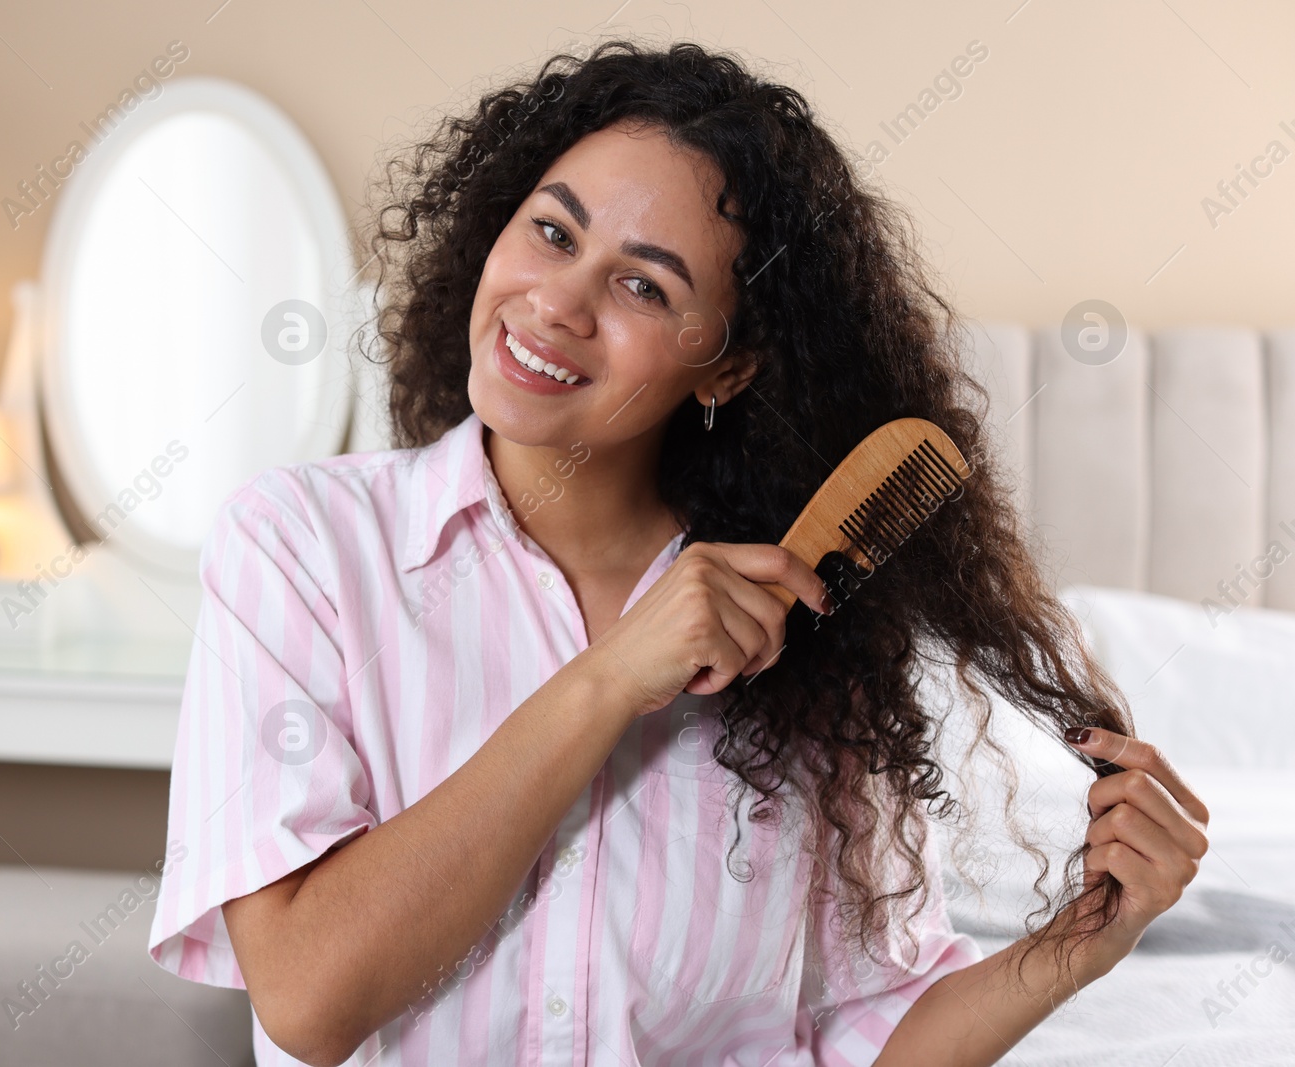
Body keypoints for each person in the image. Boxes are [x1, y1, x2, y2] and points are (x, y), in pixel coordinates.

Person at [148, 39, 1209, 1066]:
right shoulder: (301, 547)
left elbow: (865, 1040)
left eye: (643, 286)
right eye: (553, 233)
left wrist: (1078, 947)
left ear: (728, 367)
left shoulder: (805, 644)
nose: (557, 304)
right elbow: (308, 999)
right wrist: (610, 678)